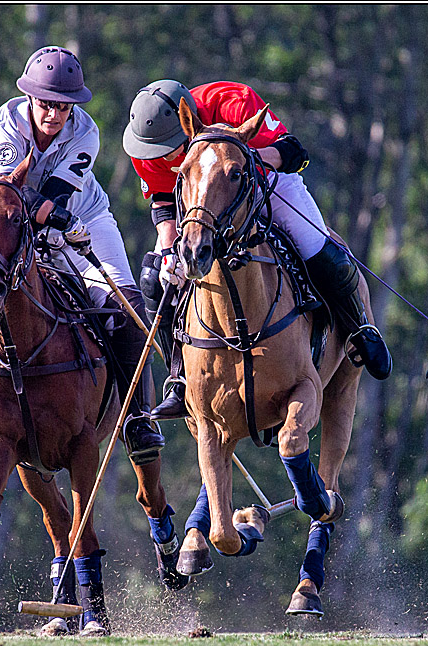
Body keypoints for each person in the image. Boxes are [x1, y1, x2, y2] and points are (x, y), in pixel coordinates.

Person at [0, 47, 166, 463]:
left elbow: (53, 200)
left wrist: (45, 214)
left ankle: (138, 417)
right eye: (46, 103)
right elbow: (4, 188)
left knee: (127, 308)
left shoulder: (86, 132)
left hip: (83, 222)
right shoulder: (8, 119)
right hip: (15, 222)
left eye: (64, 106)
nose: (54, 114)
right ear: (30, 98)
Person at [121, 79, 393, 420]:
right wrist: (167, 253)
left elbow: (294, 153)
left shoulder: (233, 101)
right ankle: (179, 377)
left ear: (186, 121)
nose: (165, 157)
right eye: (159, 153)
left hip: (265, 180)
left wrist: (245, 155)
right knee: (152, 279)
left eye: (173, 149)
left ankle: (359, 326)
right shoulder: (147, 145)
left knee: (316, 245)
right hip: (198, 203)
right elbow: (162, 201)